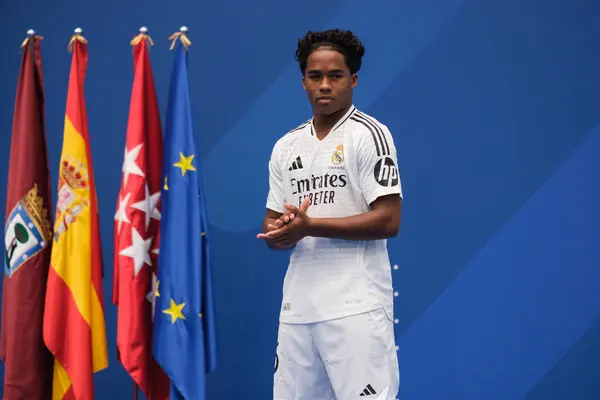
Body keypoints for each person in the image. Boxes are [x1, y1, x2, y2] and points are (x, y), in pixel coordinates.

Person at [257, 28, 402, 400]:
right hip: (298, 308)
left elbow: (388, 219)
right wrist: (282, 231)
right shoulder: (286, 146)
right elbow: (272, 223)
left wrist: (310, 226)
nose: (324, 85)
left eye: (335, 76)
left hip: (356, 307)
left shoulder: (369, 135)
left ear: (353, 80)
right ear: (303, 82)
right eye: (314, 76)